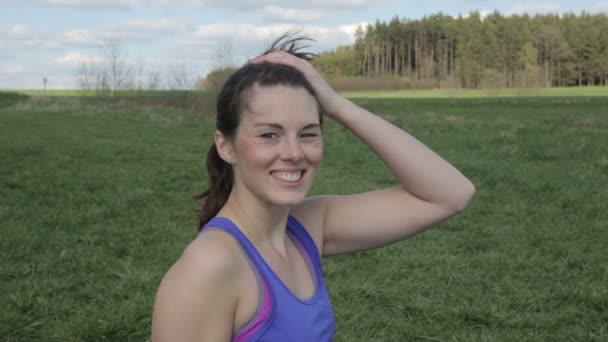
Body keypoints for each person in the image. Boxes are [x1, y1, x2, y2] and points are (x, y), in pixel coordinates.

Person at [151, 34, 475, 342]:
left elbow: (450, 194)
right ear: (226, 147)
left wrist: (336, 104)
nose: (294, 153)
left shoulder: (308, 227)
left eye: (308, 133)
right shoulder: (209, 267)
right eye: (269, 135)